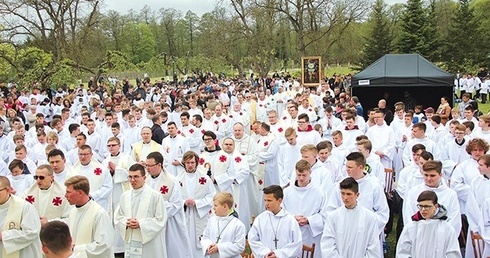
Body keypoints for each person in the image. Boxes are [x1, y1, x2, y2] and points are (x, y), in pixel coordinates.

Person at [114, 163, 168, 258]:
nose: (132, 180)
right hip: (131, 239)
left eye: (136, 177)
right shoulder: (125, 196)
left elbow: (161, 219)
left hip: (149, 245)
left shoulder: (155, 196)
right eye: (130, 177)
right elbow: (118, 217)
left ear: (144, 177)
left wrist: (141, 224)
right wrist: (126, 222)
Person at [145, 151, 192, 258]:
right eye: (146, 165)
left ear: (159, 165)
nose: (147, 168)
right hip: (151, 222)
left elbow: (176, 205)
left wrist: (156, 208)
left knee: (171, 251)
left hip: (169, 223)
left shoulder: (172, 181)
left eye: (150, 166)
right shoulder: (145, 180)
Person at [321, 177, 381, 257]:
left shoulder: (369, 217)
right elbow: (327, 244)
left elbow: (373, 246)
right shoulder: (333, 217)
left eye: (349, 194)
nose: (345, 198)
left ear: (357, 195)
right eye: (342, 193)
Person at [396, 190, 461, 258]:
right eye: (420, 206)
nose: (423, 210)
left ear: (436, 206)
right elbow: (403, 252)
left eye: (427, 206)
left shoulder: (447, 229)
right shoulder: (411, 227)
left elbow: (452, 253)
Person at [403, 161, 461, 235]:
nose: (428, 178)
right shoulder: (414, 192)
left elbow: (454, 219)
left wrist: (444, 236)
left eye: (432, 175)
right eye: (426, 175)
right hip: (419, 235)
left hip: (442, 237)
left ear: (440, 175)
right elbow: (409, 216)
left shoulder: (450, 194)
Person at [283, 160, 326, 257]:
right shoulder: (287, 192)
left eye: (304, 175)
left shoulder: (319, 193)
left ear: (310, 173)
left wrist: (308, 220)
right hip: (291, 232)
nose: (301, 178)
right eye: (299, 175)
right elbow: (282, 211)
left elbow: (324, 215)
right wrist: (293, 218)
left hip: (310, 234)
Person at [177, 151, 216, 258]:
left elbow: (212, 196)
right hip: (185, 214)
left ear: (197, 163)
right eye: (188, 162)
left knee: (199, 242)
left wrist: (197, 203)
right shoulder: (177, 180)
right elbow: (174, 199)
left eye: (192, 162)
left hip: (199, 215)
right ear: (184, 163)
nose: (190, 165)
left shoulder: (205, 179)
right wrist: (184, 202)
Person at [65, 175, 114, 257]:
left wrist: (77, 249)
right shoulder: (73, 211)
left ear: (80, 193)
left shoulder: (99, 214)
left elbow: (104, 245)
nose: (65, 195)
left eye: (68, 192)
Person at [248, 185, 302, 258]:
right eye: (265, 200)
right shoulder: (260, 219)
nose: (266, 203)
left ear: (279, 201)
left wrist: (277, 254)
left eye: (269, 200)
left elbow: (297, 243)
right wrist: (266, 253)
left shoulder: (290, 220)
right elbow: (253, 239)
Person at [0, 175, 42, 258]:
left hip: (22, 254)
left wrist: (3, 236)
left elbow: (32, 232)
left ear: (8, 190)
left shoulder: (24, 207)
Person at [200, 192, 246, 258]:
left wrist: (219, 248)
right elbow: (205, 237)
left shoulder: (238, 225)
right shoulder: (212, 220)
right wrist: (208, 245)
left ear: (225, 206)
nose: (213, 208)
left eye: (215, 205)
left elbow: (240, 246)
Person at [72, 144, 113, 211]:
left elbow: (108, 187)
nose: (83, 157)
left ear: (91, 154)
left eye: (85, 154)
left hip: (98, 203)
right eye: (80, 154)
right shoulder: (74, 171)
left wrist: (93, 196)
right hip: (80, 205)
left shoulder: (102, 169)